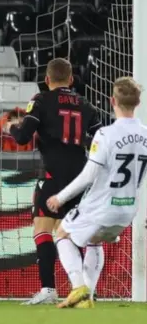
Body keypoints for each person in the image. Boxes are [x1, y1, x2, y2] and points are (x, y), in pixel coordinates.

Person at [3, 58, 102, 305]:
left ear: (47, 80)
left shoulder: (41, 100)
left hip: (52, 174)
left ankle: (49, 289)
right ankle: (83, 288)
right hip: (81, 176)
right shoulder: (87, 105)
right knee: (77, 233)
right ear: (71, 79)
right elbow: (99, 143)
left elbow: (24, 137)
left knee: (42, 229)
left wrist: (12, 128)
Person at [46, 77, 147, 309]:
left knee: (62, 233)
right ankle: (87, 298)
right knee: (94, 241)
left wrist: (60, 197)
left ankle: (78, 286)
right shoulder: (146, 135)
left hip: (101, 206)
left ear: (112, 101)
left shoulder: (105, 134)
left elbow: (89, 176)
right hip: (128, 210)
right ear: (138, 103)